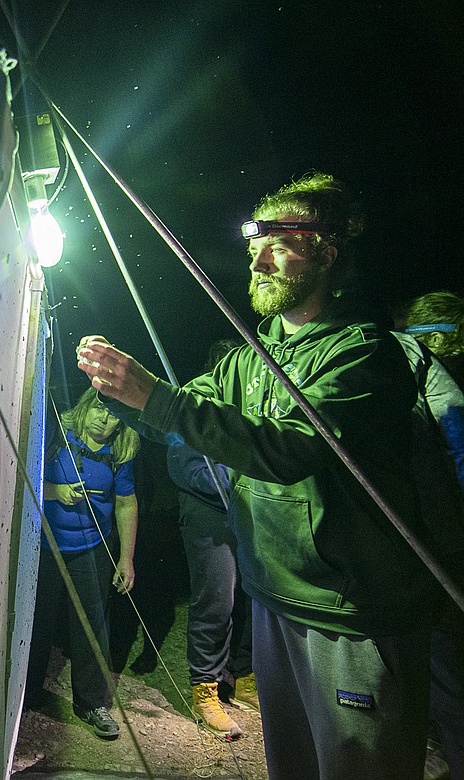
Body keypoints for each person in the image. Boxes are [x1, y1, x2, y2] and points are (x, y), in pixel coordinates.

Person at [77, 172, 438, 779]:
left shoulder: (362, 351)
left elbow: (291, 449)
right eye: (253, 243)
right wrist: (113, 388)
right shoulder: (252, 355)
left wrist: (157, 399)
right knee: (291, 765)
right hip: (274, 596)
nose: (259, 258)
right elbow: (178, 418)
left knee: (358, 768)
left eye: (280, 241)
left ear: (326, 251)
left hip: (349, 616)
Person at [24, 387, 139, 741]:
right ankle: (24, 696)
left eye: (115, 416)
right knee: (36, 622)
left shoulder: (119, 453)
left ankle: (90, 703)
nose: (105, 421)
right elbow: (21, 479)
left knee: (92, 626)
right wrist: (55, 492)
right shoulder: (56, 435)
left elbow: (126, 504)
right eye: (100, 412)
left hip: (91, 548)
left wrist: (126, 558)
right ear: (86, 407)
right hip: (44, 546)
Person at [165, 339, 255, 740]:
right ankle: (206, 689)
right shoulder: (195, 402)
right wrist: (241, 480)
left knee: (254, 597)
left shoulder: (252, 405)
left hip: (249, 516)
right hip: (208, 516)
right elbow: (183, 466)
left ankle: (242, 676)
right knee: (216, 600)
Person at [401, 291, 464, 780]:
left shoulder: (430, 377)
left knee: (444, 666)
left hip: (437, 539)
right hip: (434, 536)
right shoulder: (426, 374)